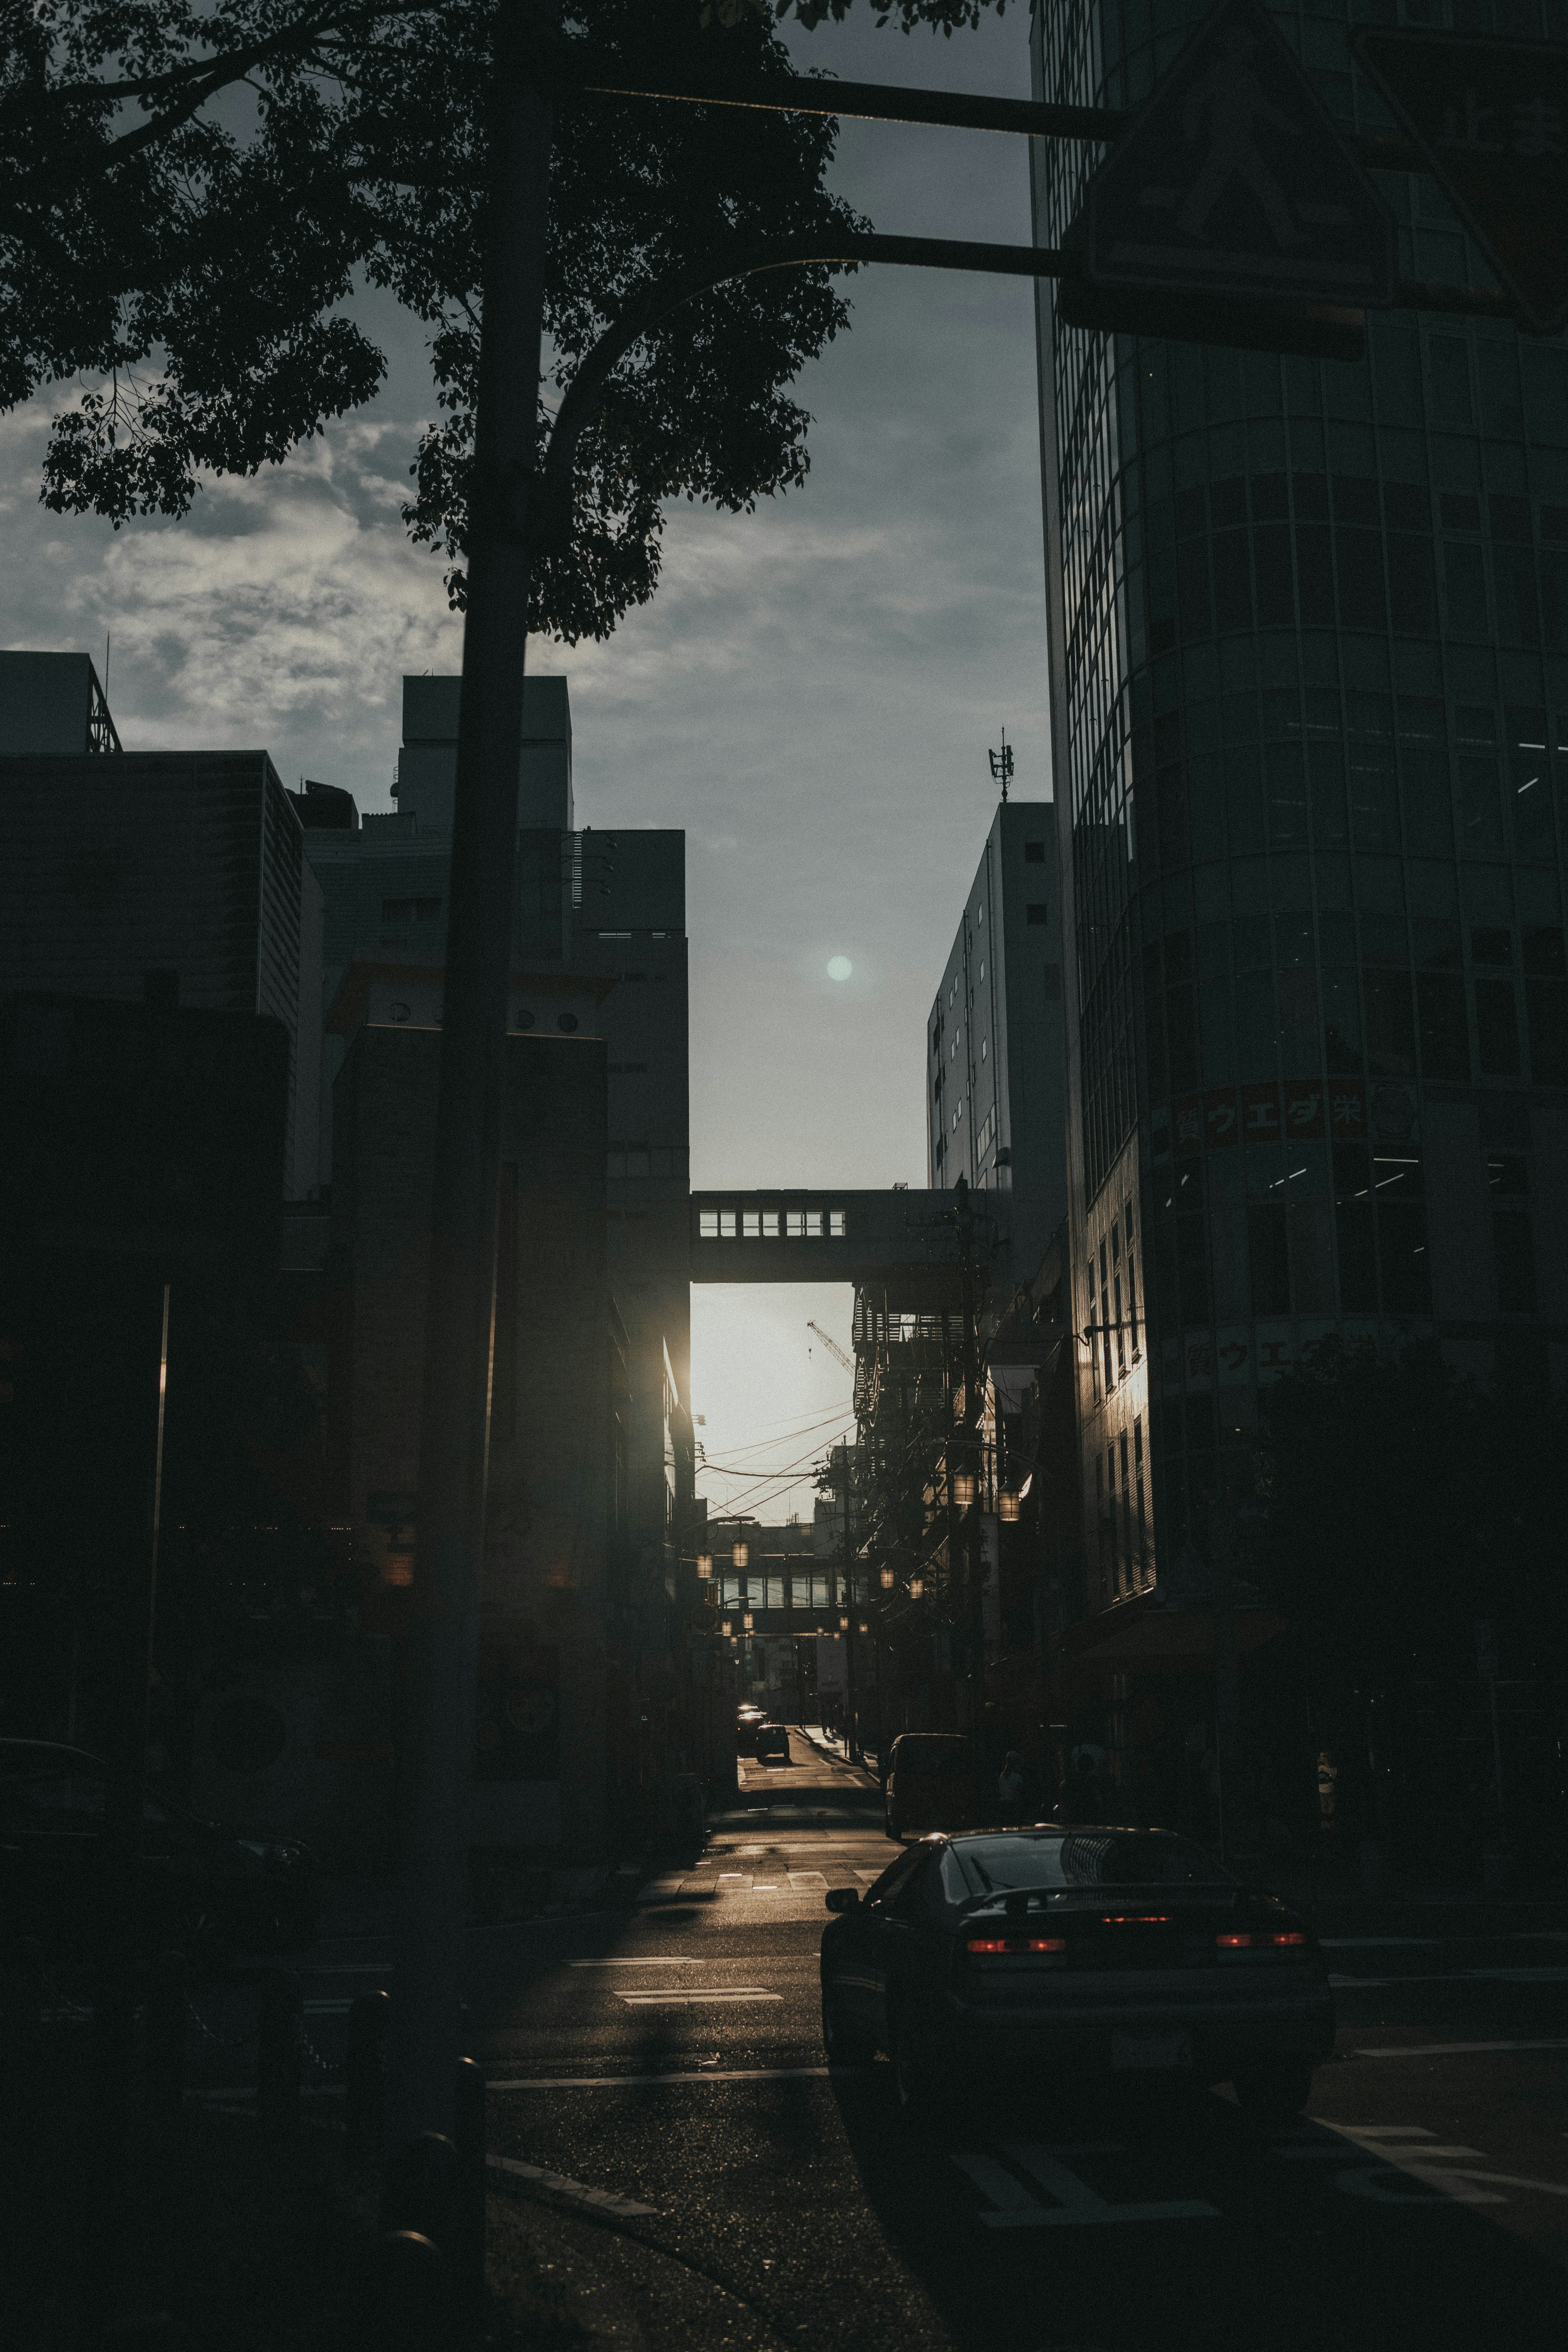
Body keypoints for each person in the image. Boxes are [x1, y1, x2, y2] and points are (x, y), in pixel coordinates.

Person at [997, 1750, 1026, 1822]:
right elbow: (1018, 1794)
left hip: (1004, 1806)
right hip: (1014, 1807)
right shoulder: (1017, 1777)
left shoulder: (1002, 1776)